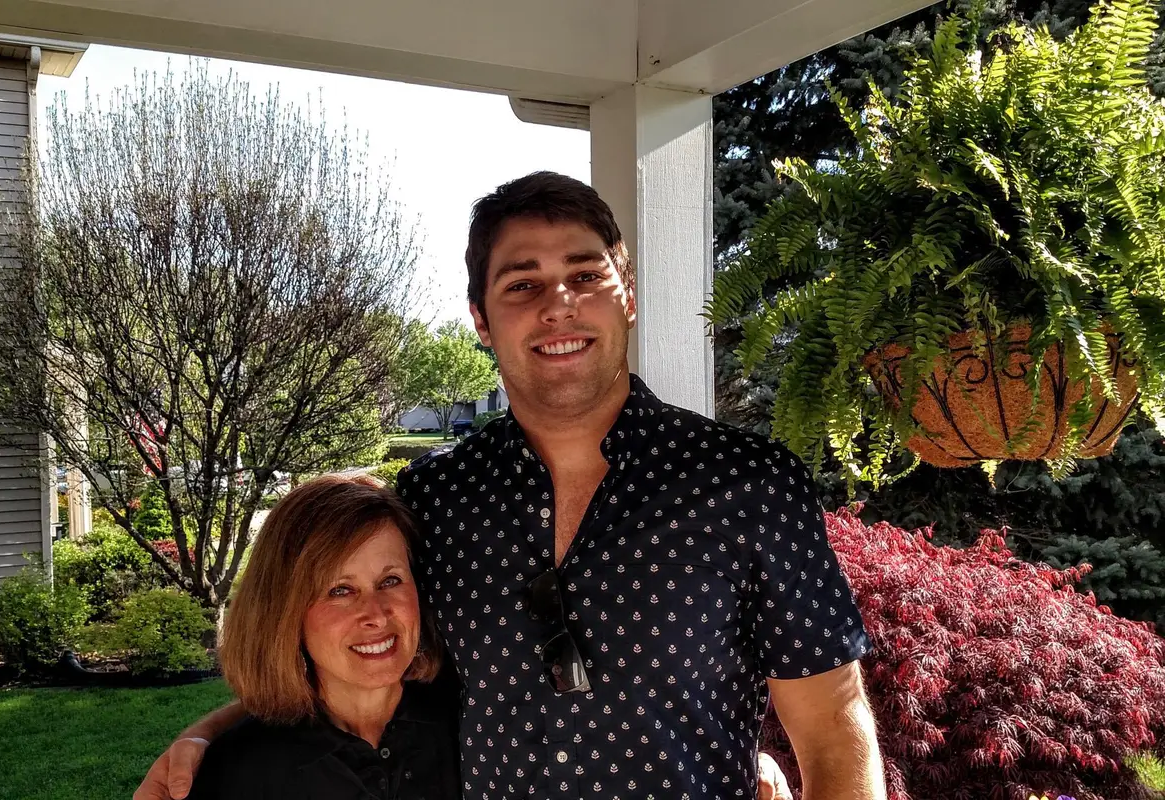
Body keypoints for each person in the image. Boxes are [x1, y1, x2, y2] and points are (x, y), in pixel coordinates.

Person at [136, 172, 884, 800]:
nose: (558, 304)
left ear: (626, 294)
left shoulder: (746, 484)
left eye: (586, 275)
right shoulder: (437, 496)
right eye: (522, 283)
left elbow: (834, 734)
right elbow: (357, 658)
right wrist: (212, 731)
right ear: (482, 321)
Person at [183, 473, 459, 800]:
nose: (376, 614)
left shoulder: (469, 723)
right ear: (284, 613)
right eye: (340, 590)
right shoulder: (238, 774)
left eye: (391, 580)